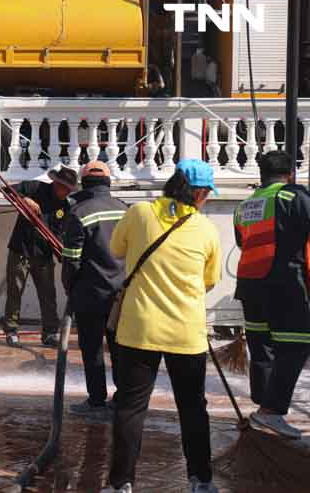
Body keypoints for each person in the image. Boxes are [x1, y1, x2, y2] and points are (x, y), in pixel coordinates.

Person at [102, 159, 221, 493]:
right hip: (187, 333)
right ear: (198, 193)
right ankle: (201, 481)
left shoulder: (139, 213)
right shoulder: (207, 229)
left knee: (130, 407)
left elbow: (117, 249)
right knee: (193, 409)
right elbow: (209, 281)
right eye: (207, 193)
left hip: (139, 330)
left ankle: (121, 484)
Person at [234, 150, 310, 439]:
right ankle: (271, 412)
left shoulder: (245, 204)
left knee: (262, 346)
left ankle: (262, 405)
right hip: (284, 285)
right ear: (290, 172)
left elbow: (243, 241)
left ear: (262, 175)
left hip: (250, 284)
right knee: (295, 346)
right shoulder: (292, 197)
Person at [62, 161, 127, 416]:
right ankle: (123, 399)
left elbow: (72, 259)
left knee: (93, 349)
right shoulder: (125, 209)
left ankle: (96, 401)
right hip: (122, 293)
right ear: (108, 184)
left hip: (91, 294)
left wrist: (69, 286)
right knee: (120, 348)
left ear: (84, 184)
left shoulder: (79, 212)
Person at [2, 166, 78, 348]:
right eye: (63, 187)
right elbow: (7, 191)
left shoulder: (65, 206)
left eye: (69, 189)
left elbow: (60, 233)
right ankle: (11, 330)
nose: (65, 192)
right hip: (21, 249)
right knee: (15, 292)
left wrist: (59, 246)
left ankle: (50, 333)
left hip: (44, 254)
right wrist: (25, 200)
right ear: (56, 183)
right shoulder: (35, 188)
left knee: (48, 295)